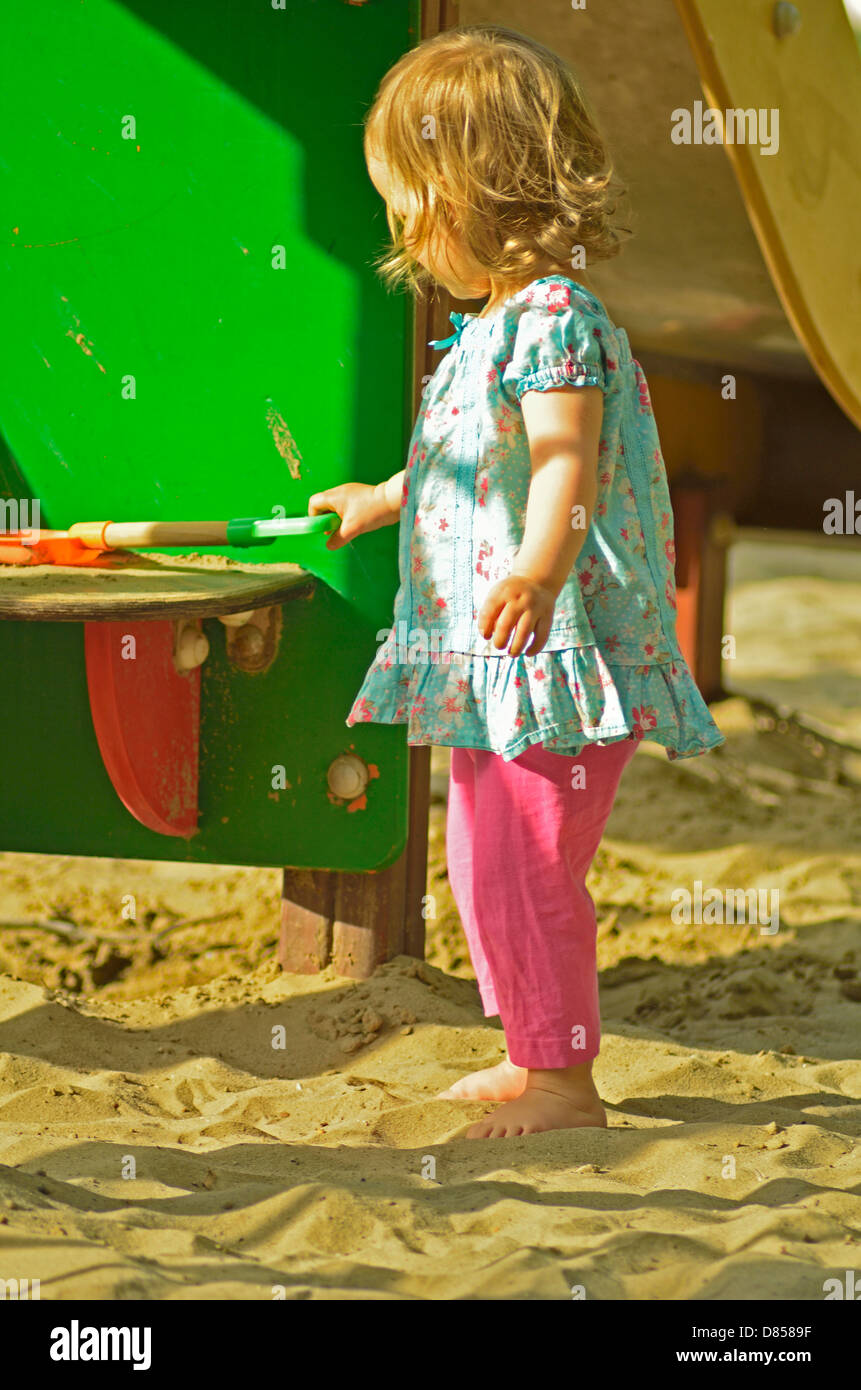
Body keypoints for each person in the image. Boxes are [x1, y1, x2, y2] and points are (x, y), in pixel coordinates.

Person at [308, 24, 724, 1139]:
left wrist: (542, 568)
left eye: (410, 199)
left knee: (532, 865)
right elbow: (465, 460)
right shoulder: (490, 326)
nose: (399, 225)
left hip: (560, 655)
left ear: (473, 190)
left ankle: (564, 1086)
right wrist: (380, 500)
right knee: (481, 858)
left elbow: (561, 459)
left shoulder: (553, 319)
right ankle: (533, 1050)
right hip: (501, 660)